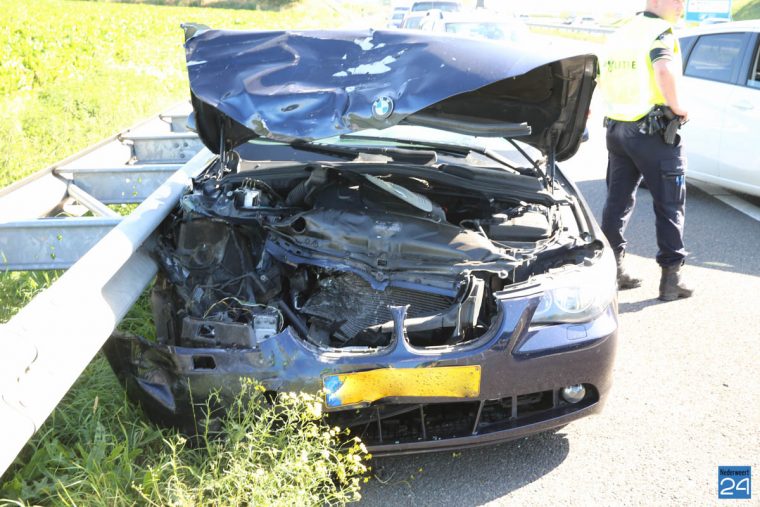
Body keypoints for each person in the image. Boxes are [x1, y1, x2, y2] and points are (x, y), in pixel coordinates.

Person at [598, 0, 694, 302]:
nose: (682, 5)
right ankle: (671, 281)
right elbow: (664, 69)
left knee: (617, 202)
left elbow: (600, 77)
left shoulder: (619, 35)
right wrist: (679, 108)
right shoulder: (660, 32)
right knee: (669, 206)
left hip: (617, 130)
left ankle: (612, 272)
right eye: (676, 0)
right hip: (653, 132)